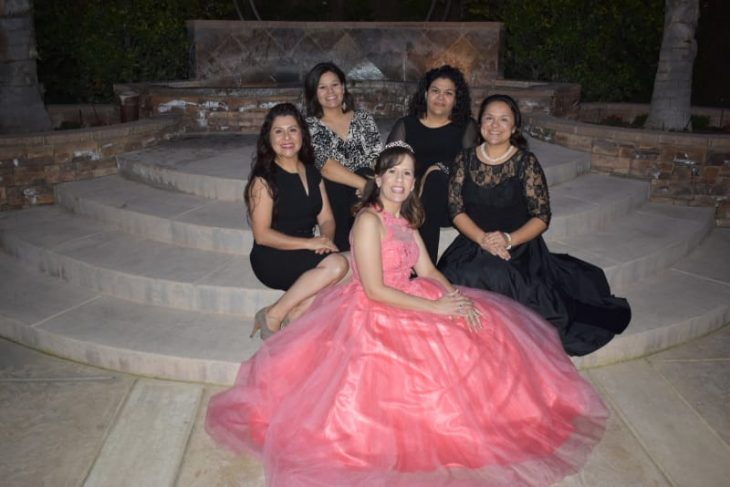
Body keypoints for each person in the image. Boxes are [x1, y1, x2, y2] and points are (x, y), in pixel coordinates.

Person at [206, 142, 608, 486]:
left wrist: (455, 296)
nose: (400, 180)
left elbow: (429, 269)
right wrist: (434, 306)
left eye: (408, 174)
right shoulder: (367, 220)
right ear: (378, 178)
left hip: (413, 293)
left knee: (481, 325)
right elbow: (377, 289)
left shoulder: (405, 218)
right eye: (393, 172)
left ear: (414, 182)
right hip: (374, 308)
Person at [437, 94, 631, 356]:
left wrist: (507, 240)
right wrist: (483, 239)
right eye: (489, 118)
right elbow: (455, 210)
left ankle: (498, 338)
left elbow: (542, 217)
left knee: (505, 279)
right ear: (479, 123)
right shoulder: (464, 159)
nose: (495, 125)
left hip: (518, 246)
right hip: (474, 240)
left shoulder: (526, 163)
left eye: (504, 119)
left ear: (514, 126)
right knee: (453, 278)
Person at [246, 103, 348, 338]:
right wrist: (310, 244)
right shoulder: (263, 180)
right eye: (278, 131)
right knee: (339, 266)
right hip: (272, 256)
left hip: (306, 250)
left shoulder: (312, 172)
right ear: (268, 138)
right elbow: (262, 235)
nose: (286, 138)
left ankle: (297, 311)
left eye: (292, 130)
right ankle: (274, 314)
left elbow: (327, 219)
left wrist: (325, 241)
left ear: (302, 133)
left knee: (358, 262)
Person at [387, 64, 479, 263]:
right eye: (435, 91)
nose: (440, 98)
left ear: (456, 99)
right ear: (426, 93)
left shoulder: (465, 127)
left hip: (447, 201)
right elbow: (388, 163)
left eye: (448, 93)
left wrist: (435, 169)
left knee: (436, 180)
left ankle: (424, 267)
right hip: (408, 197)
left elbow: (471, 165)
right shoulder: (406, 125)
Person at [304, 61, 383, 251]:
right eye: (322, 87)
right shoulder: (309, 126)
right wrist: (364, 186)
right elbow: (325, 165)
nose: (330, 92)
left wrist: (370, 182)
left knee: (365, 170)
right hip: (335, 191)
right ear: (314, 93)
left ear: (343, 87)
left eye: (335, 85)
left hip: (364, 185)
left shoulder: (363, 118)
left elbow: (377, 157)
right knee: (334, 183)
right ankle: (347, 252)